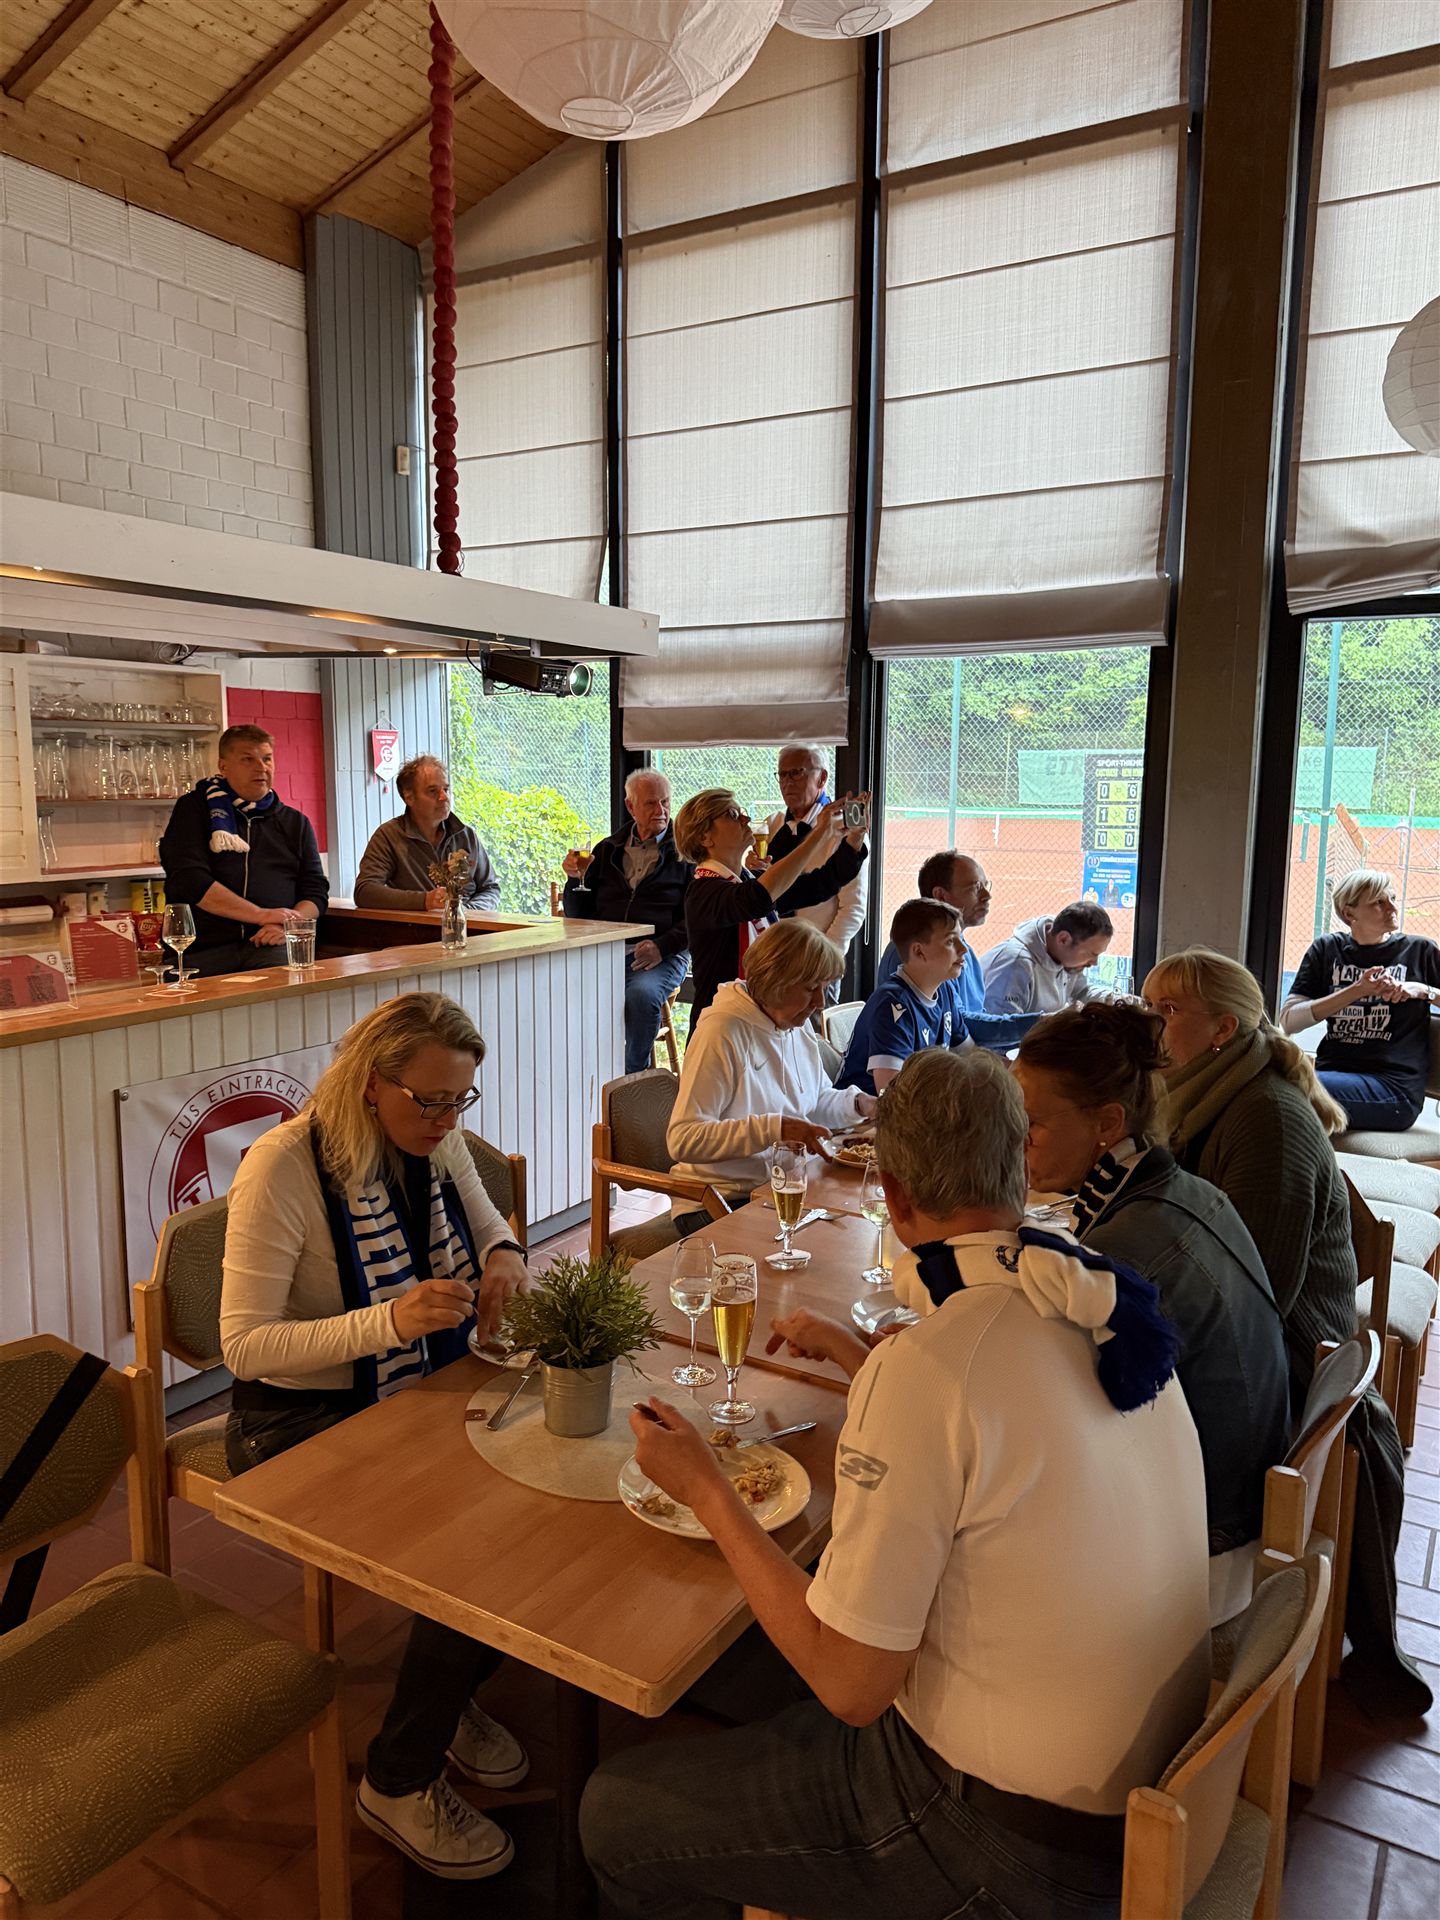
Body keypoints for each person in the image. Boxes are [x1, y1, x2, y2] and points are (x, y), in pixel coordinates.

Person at [582, 1048, 1211, 1920]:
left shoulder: (936, 1368)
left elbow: (851, 1687)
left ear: (893, 1194)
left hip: (1006, 1847)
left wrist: (708, 1492)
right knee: (744, 1663)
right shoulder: (1097, 1300)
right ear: (1020, 1163)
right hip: (1144, 1791)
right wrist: (862, 1359)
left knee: (613, 1812)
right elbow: (988, 1423)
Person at [220, 992, 533, 1879]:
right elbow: (244, 1346)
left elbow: (490, 1221)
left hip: (397, 1393)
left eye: (460, 1100)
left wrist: (505, 1256)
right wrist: (389, 1322)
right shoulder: (283, 1167)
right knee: (471, 1539)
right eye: (429, 1101)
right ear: (369, 1084)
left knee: (528, 1500)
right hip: (292, 1419)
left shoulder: (434, 1144)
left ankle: (448, 1688)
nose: (447, 1121)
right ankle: (396, 1781)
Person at [1145, 945, 1431, 1717]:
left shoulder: (1263, 1119)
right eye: (1149, 1004)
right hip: (1257, 1338)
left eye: (1169, 1009)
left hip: (1287, 1363)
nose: (1151, 1023)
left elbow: (1250, 1299)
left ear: (1223, 1029)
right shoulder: (1203, 1094)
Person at [1013, 1001, 1291, 1626]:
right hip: (1240, 1495)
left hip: (1203, 1549)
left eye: (1030, 1125)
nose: (1016, 1142)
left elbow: (1051, 1423)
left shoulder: (1122, 1258)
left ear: (1107, 1122)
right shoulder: (1184, 1189)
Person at [667, 918, 873, 1228]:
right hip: (719, 1199)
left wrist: (858, 1105)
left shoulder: (796, 1025)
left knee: (857, 1227)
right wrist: (774, 1129)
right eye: (811, 988)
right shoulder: (722, 1031)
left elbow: (814, 1102)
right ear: (776, 982)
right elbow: (683, 1139)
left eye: (824, 988)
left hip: (780, 1187)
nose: (820, 1002)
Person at [674, 786, 870, 1024]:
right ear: (705, 837)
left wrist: (854, 839)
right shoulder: (703, 892)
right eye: (733, 815)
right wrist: (820, 833)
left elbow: (820, 884)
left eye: (741, 812)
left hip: (759, 1019)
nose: (746, 819)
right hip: (723, 1025)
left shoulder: (747, 880)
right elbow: (758, 898)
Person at [160, 723, 328, 977]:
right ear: (223, 766)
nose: (261, 767)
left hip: (270, 944)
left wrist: (289, 926)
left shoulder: (295, 823)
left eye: (267, 759)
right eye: (248, 759)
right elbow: (190, 881)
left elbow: (315, 890)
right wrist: (260, 915)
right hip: (203, 949)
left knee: (284, 988)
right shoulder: (194, 809)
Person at [1281, 868, 1440, 1133]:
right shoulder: (1327, 949)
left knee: (1283, 1088)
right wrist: (1356, 990)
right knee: (1271, 1084)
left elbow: (1429, 993)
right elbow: (1289, 1021)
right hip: (1332, 1074)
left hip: (1393, 1089)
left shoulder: (1419, 950)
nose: (1392, 907)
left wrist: (1422, 990)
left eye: (1392, 898)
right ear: (1349, 914)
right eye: (1379, 902)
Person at [836, 899, 1042, 1095]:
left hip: (919, 1105)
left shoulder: (945, 991)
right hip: (869, 1114)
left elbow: (970, 1055)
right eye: (951, 941)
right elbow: (890, 1092)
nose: (963, 949)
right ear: (919, 952)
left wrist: (1019, 1074)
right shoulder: (893, 1005)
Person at [561, 769, 692, 1074]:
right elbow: (578, 914)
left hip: (662, 953)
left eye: (665, 802)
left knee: (641, 995)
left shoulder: (686, 853)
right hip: (606, 952)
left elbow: (696, 918)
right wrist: (574, 879)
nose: (661, 811)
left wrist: (661, 947)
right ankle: (582, 1074)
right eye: (651, 803)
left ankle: (633, 1079)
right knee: (562, 989)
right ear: (631, 807)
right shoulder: (606, 850)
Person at [876, 849, 1034, 1049]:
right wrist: (1039, 1024)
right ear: (941, 896)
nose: (987, 896)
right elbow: (960, 1027)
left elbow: (969, 1026)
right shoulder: (918, 956)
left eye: (986, 886)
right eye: (975, 887)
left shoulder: (965, 952)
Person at [764, 744, 869, 1000]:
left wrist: (825, 959)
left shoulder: (846, 831)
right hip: (771, 954)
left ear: (822, 778)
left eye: (796, 773)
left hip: (817, 959)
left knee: (815, 1024)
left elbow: (853, 907)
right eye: (782, 774)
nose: (787, 782)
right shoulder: (772, 825)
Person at [354, 755, 499, 914]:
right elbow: (364, 891)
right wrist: (424, 901)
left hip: (468, 925)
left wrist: (464, 912)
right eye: (433, 791)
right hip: (414, 928)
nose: (444, 797)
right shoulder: (389, 836)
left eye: (446, 789)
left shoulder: (466, 836)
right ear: (409, 797)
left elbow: (490, 888)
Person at [983, 901, 1114, 1015]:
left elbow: (1081, 992)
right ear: (1063, 939)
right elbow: (1000, 1030)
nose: (1094, 962)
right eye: (1092, 954)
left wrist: (1113, 999)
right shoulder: (1014, 966)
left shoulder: (1066, 957)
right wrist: (1058, 1020)